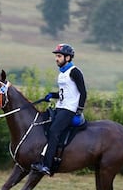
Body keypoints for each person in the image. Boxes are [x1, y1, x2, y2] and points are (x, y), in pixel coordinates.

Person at [31, 43, 87, 176]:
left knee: (54, 131)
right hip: (61, 106)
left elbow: (83, 92)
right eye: (56, 56)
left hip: (69, 109)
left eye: (59, 56)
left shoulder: (74, 72)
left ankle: (47, 166)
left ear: (68, 58)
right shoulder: (62, 73)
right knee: (45, 126)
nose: (56, 58)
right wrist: (53, 95)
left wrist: (78, 111)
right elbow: (67, 92)